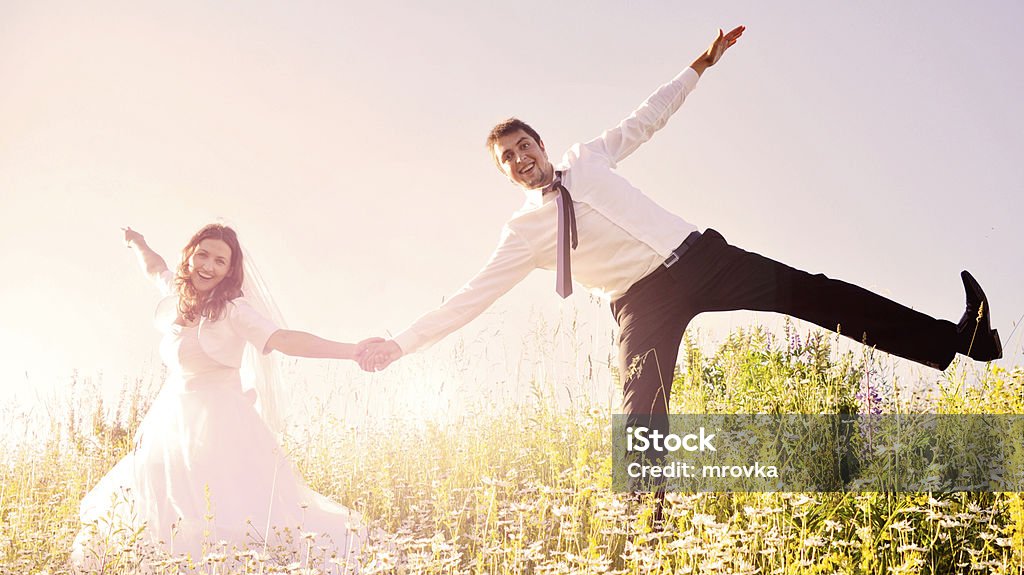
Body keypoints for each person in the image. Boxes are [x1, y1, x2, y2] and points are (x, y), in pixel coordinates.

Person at [358, 26, 1002, 433]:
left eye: (525, 145)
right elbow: (470, 298)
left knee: (818, 293)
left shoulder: (588, 157)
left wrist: (701, 64)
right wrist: (401, 343)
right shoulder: (523, 232)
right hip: (641, 300)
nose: (523, 159)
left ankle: (962, 340)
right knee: (640, 407)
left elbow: (647, 117)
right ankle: (646, 542)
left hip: (700, 259)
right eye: (509, 159)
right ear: (506, 174)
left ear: (541, 143)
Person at [71, 224, 379, 575]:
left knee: (228, 511)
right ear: (189, 256)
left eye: (220, 260)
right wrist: (136, 241)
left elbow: (283, 339)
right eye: (203, 254)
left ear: (230, 270)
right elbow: (153, 267)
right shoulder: (177, 294)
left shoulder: (234, 311)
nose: (208, 265)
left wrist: (351, 351)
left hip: (221, 424)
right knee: (166, 509)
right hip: (172, 423)